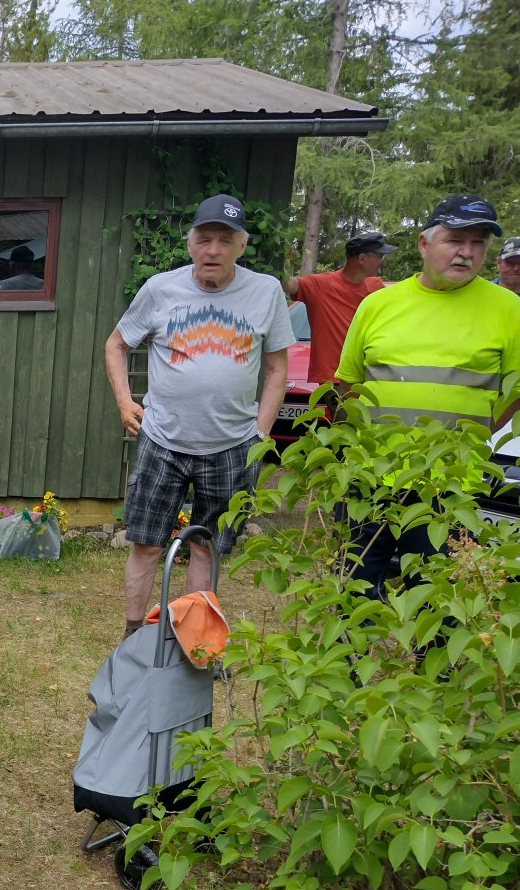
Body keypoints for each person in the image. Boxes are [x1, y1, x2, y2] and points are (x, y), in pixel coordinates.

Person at [104, 194, 293, 640]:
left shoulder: (265, 292)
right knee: (147, 542)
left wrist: (260, 432)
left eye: (224, 241)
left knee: (208, 546)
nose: (213, 250)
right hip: (163, 440)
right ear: (190, 244)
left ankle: (194, 643)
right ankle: (133, 638)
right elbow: (116, 345)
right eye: (204, 239)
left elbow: (277, 367)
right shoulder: (160, 289)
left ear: (241, 246)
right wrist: (124, 401)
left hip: (232, 446)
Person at [336, 194, 520, 597]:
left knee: (436, 602)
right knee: (353, 592)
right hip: (372, 477)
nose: (466, 253)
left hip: (450, 487)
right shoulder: (378, 304)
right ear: (424, 243)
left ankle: (425, 661)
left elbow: (514, 392)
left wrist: (469, 438)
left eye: (477, 244)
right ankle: (350, 661)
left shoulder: (510, 310)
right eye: (455, 240)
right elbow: (348, 383)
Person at [283, 231, 396, 384]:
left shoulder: (376, 287)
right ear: (362, 258)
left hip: (367, 378)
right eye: (380, 256)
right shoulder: (320, 285)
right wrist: (279, 255)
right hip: (333, 381)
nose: (383, 262)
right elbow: (288, 284)